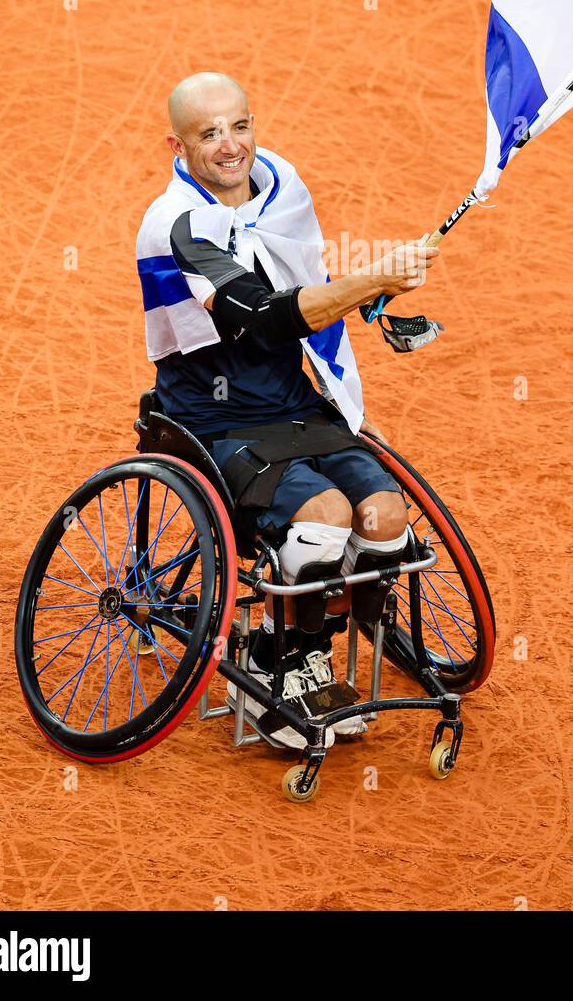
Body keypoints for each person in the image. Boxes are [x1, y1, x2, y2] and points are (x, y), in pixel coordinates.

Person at [136, 70, 439, 746]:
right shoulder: (179, 228)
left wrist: (369, 300)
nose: (230, 145)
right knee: (325, 518)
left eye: (239, 125)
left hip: (293, 401)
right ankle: (285, 662)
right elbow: (269, 319)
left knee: (386, 518)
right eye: (208, 133)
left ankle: (323, 628)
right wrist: (374, 275)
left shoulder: (278, 185)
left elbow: (307, 282)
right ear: (177, 145)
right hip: (211, 418)